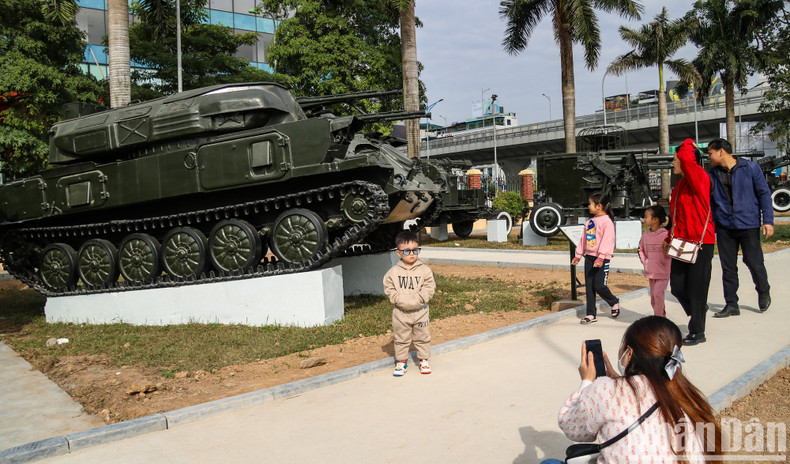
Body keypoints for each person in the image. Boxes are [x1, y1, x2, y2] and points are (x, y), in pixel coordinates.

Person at [545, 316, 721, 464]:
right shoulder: (687, 396)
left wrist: (587, 382)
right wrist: (620, 383)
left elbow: (571, 426)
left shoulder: (606, 391)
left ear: (629, 353)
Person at [707, 138, 773, 318]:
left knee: (754, 261)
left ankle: (764, 290)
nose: (709, 157)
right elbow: (711, 202)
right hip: (724, 226)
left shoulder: (750, 168)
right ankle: (731, 304)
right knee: (728, 267)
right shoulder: (713, 174)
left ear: (721, 151)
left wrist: (768, 220)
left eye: (710, 153)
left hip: (748, 224)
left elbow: (764, 194)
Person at [664, 139, 715, 346]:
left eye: (675, 159)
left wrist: (687, 144)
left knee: (697, 288)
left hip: (701, 243)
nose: (673, 163)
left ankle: (698, 331)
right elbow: (676, 216)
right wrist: (669, 238)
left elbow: (687, 156)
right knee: (677, 287)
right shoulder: (680, 184)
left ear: (686, 161)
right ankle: (699, 310)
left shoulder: (700, 178)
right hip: (681, 242)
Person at [382, 231, 436, 376]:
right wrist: (399, 299)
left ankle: (424, 360)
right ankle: (401, 362)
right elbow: (389, 288)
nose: (412, 253)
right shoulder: (393, 272)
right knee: (401, 338)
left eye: (415, 250)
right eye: (407, 251)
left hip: (420, 312)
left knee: (422, 337)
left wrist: (419, 299)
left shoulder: (425, 270)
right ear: (399, 253)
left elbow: (429, 288)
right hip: (401, 313)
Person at [572, 192, 619, 325]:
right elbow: (584, 239)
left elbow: (607, 241)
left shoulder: (607, 223)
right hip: (589, 257)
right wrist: (578, 255)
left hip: (601, 259)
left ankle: (613, 302)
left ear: (599, 206)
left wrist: (601, 258)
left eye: (590, 204)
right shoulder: (590, 222)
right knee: (589, 287)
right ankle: (591, 314)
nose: (588, 206)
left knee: (599, 286)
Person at [639, 205, 672, 317]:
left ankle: (659, 320)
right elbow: (641, 249)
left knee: (658, 294)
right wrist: (645, 262)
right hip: (651, 272)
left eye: (646, 216)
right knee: (653, 297)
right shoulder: (645, 235)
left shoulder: (666, 235)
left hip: (663, 272)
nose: (644, 219)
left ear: (655, 219)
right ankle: (661, 316)